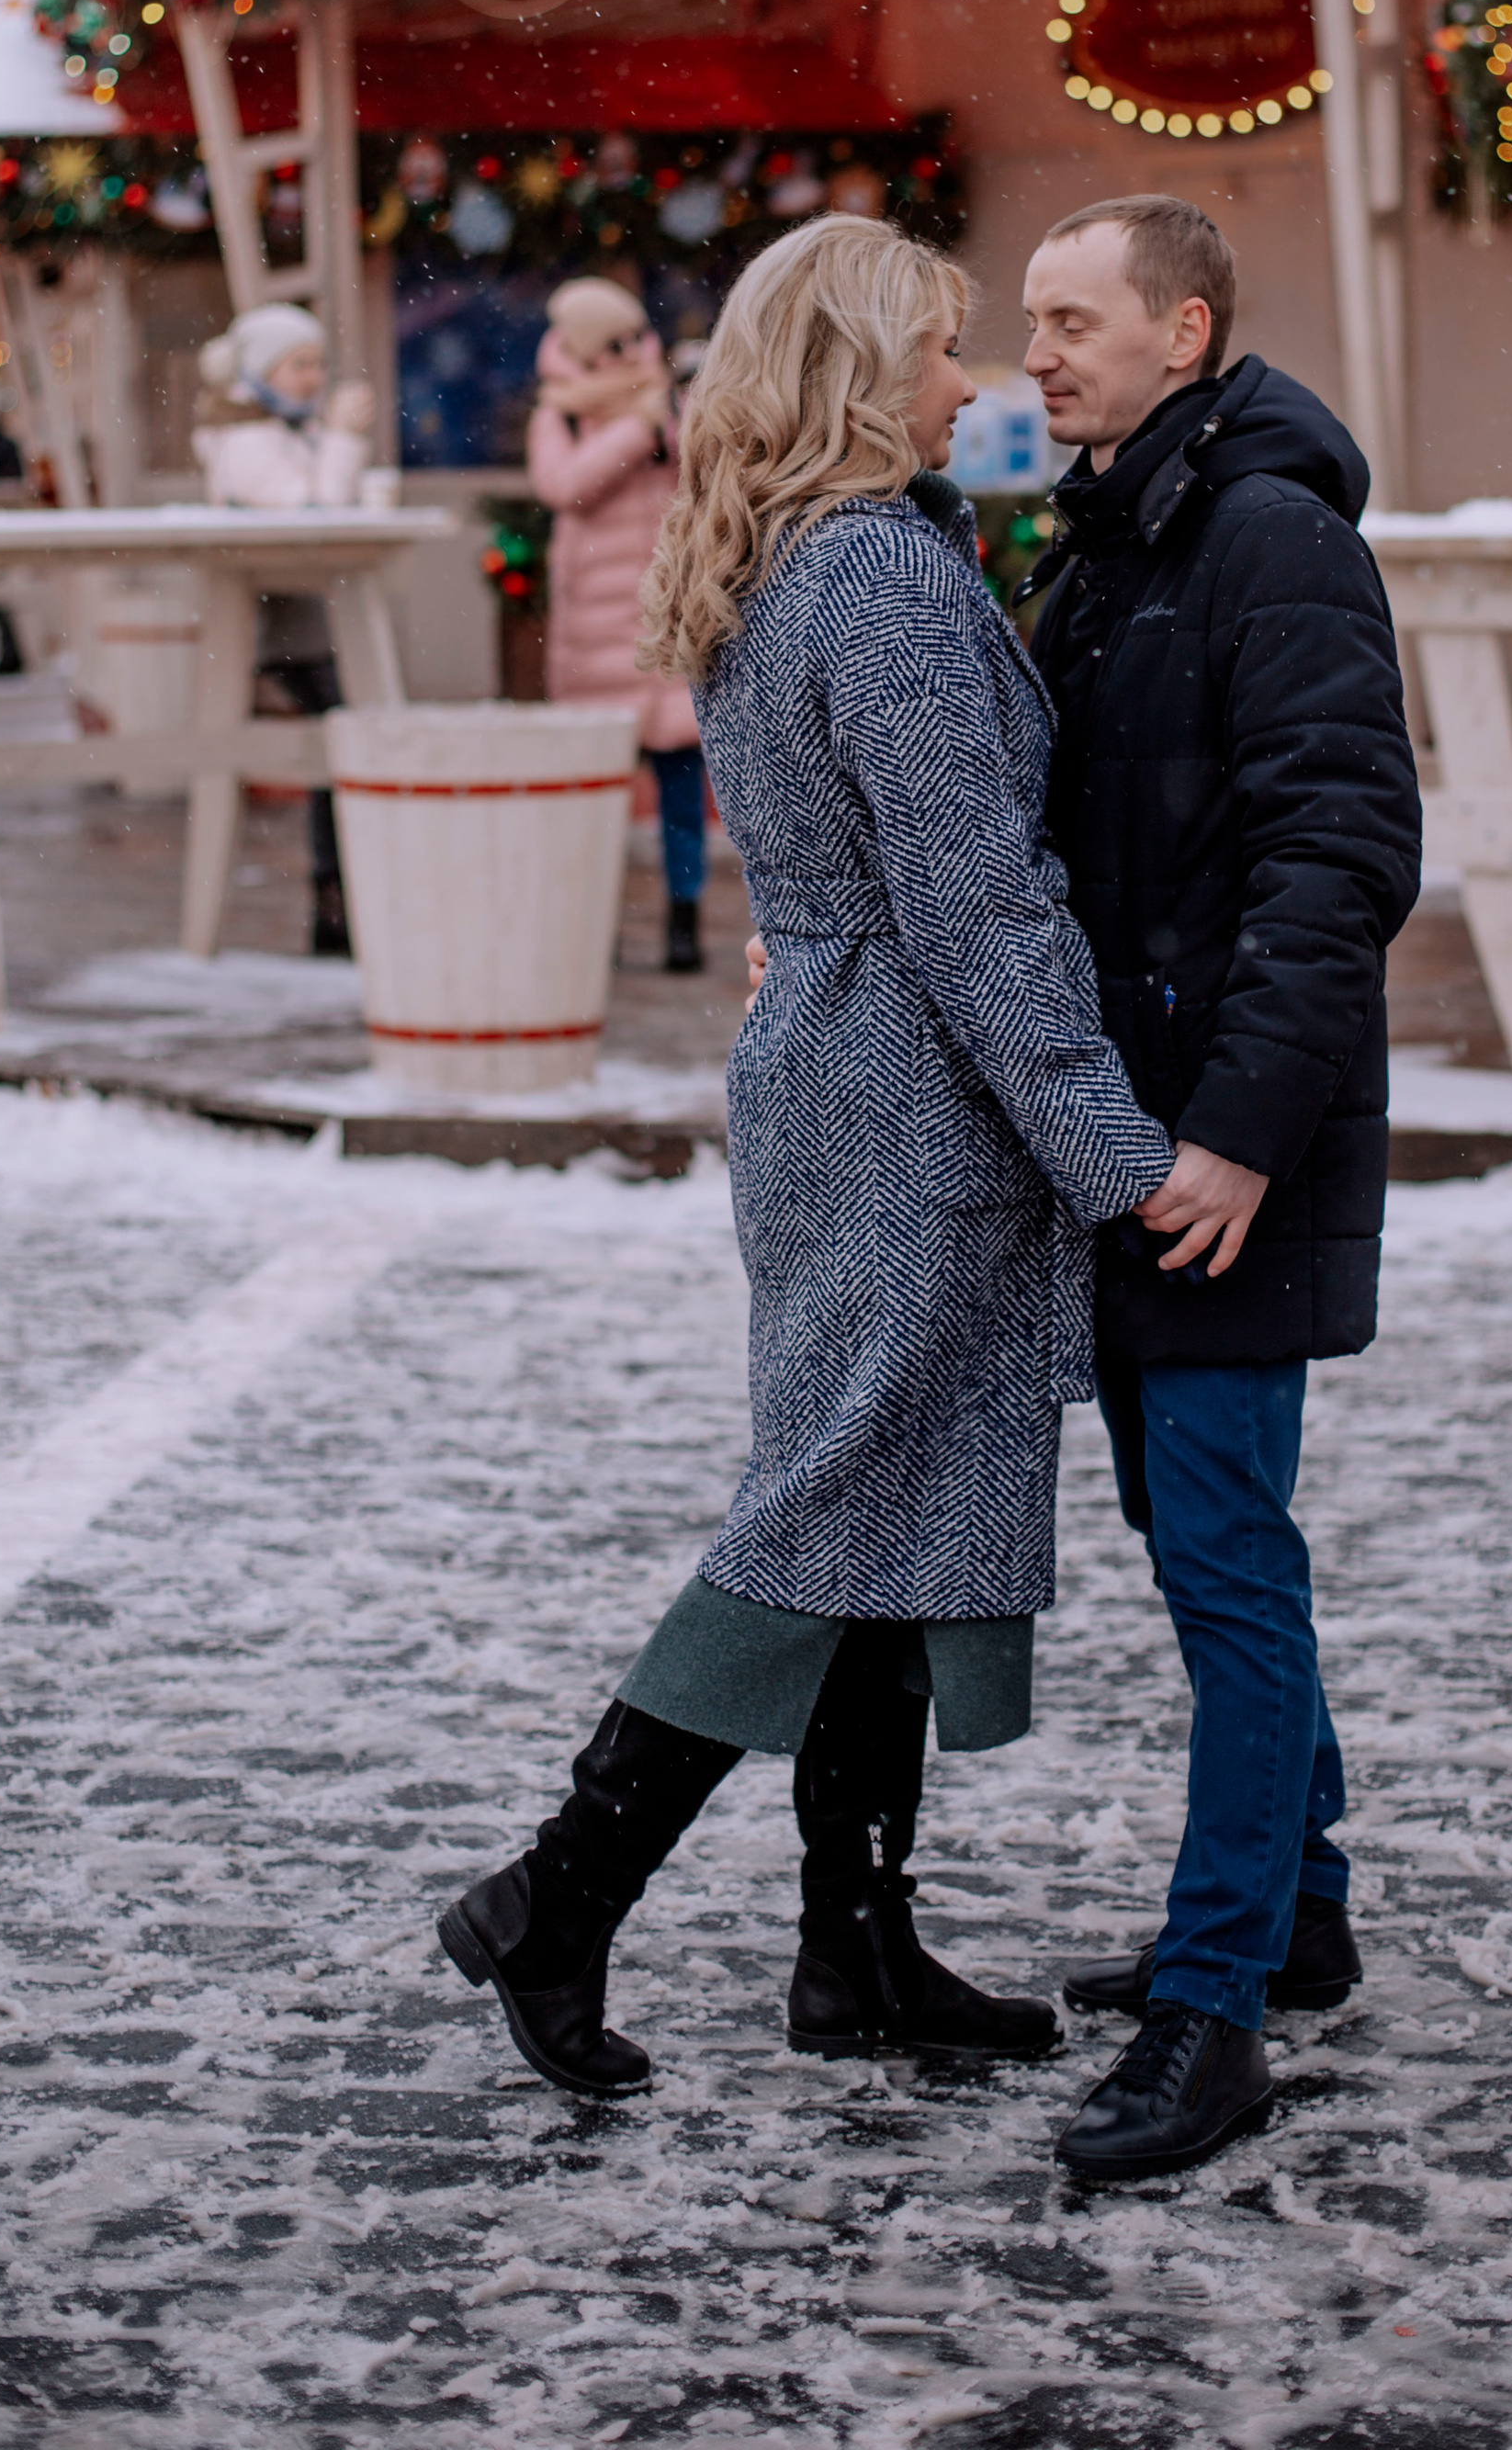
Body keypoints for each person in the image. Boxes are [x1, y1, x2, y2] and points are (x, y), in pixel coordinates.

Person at [436, 218, 1178, 2106]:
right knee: (829, 1514)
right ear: (859, 373)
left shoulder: (797, 553)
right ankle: (560, 1891)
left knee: (882, 1515)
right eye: (937, 352)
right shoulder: (882, 581)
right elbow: (975, 911)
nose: (969, 384)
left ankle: (853, 1946)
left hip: (843, 1072)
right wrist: (1111, 1150)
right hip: (909, 1100)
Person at [1019, 195, 1422, 2186]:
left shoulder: (1269, 537)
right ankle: (1300, 1910)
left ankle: (1215, 2010)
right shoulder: (1112, 537)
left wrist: (1243, 1134)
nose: (1035, 354)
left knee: (1228, 1567)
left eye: (1072, 321)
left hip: (1219, 1154)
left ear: (1183, 332)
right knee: (1199, 1543)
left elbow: (1337, 860)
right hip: (1135, 1138)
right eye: (1027, 321)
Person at [525, 277, 709, 975]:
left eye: (637, 338)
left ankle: (684, 919)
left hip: (667, 626)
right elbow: (564, 485)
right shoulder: (561, 415)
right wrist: (640, 427)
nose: (631, 353)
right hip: (596, 639)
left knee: (682, 793)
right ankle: (593, 924)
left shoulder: (669, 402)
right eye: (613, 345)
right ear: (581, 351)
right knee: (594, 804)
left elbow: (714, 459)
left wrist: (683, 404)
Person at [195, 301, 372, 957]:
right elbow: (316, 515)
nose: (313, 377)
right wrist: (343, 439)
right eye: (300, 364)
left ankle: (339, 902)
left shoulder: (280, 431)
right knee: (344, 743)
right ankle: (337, 900)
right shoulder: (247, 442)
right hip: (286, 631)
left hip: (308, 624)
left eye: (318, 364)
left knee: (341, 746)